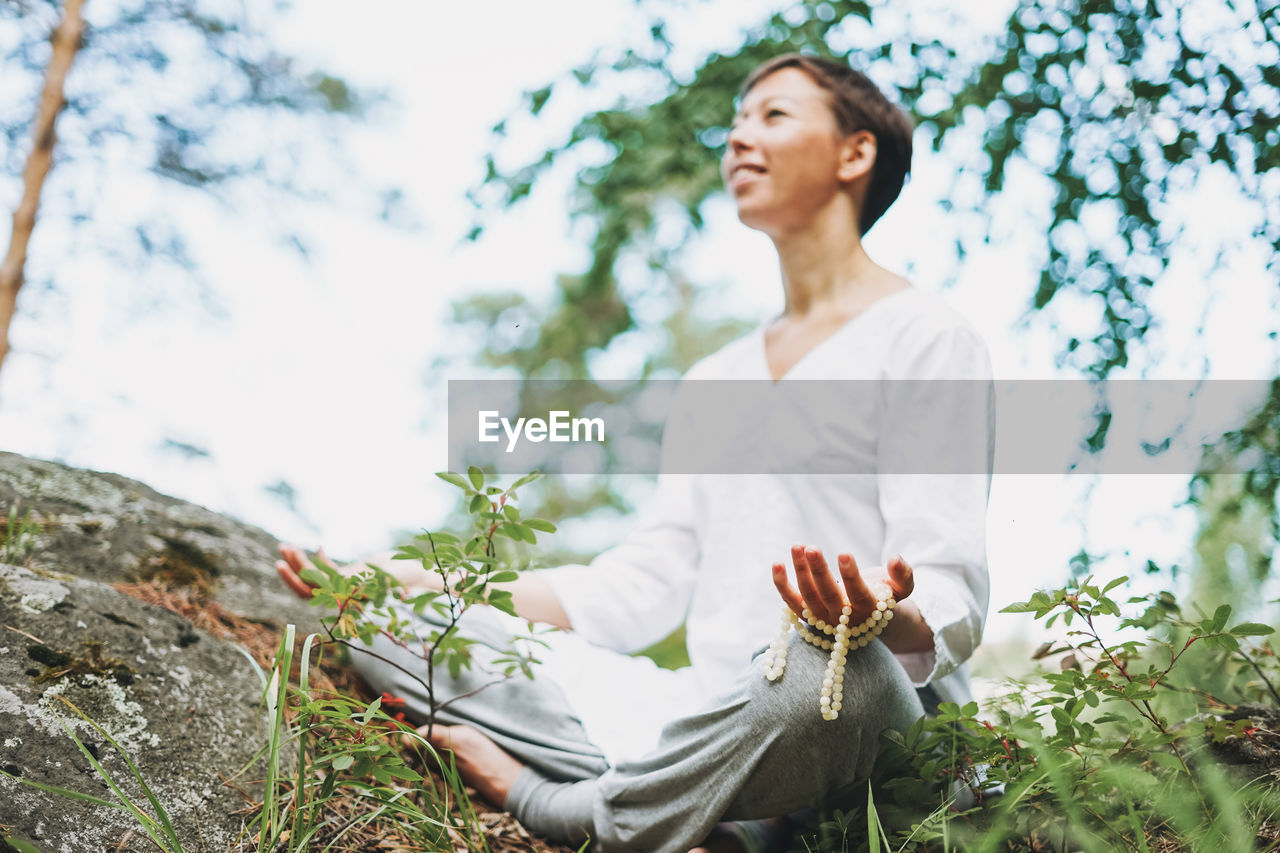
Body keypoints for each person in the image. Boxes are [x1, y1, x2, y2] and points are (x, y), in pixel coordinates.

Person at [277, 53, 993, 853]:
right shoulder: (715, 377)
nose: (739, 139)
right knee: (389, 623)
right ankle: (730, 817)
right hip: (710, 714)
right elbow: (644, 583)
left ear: (855, 153)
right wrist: (432, 581)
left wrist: (882, 615)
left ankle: (555, 799)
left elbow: (952, 589)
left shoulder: (928, 335)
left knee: (828, 681)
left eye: (773, 116)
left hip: (845, 712)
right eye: (734, 125)